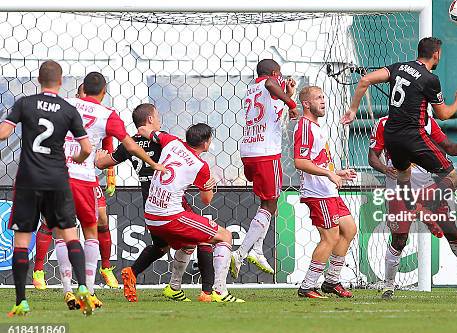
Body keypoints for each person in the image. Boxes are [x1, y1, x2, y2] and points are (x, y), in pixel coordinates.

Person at [57, 72, 164, 309]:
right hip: (83, 178)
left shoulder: (65, 105)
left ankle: (67, 291)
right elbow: (130, 145)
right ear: (104, 92)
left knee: (62, 233)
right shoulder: (107, 115)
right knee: (91, 232)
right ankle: (89, 291)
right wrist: (154, 163)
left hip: (55, 175)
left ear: (82, 89)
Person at [0, 60, 95, 316]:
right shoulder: (68, 108)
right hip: (57, 180)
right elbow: (86, 149)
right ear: (61, 81)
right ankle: (84, 288)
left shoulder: (24, 103)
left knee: (22, 240)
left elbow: (3, 134)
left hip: (29, 180)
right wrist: (78, 160)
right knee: (69, 235)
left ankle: (21, 301)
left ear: (39, 80)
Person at [96, 103, 216, 303]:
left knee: (161, 246)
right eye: (157, 116)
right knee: (202, 236)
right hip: (169, 197)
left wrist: (100, 158)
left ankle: (134, 273)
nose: (159, 120)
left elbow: (103, 163)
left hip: (149, 200)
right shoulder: (162, 140)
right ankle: (208, 292)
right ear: (150, 119)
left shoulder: (130, 143)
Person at [369, 115, 457, 298]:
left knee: (452, 232)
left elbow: (449, 147)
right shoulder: (384, 123)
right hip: (398, 192)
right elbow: (373, 156)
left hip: (429, 189)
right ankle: (389, 285)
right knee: (399, 240)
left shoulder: (427, 121)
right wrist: (384, 168)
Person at [342, 37, 457, 214]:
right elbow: (443, 115)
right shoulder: (430, 78)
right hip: (414, 136)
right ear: (436, 54)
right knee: (452, 177)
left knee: (404, 173)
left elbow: (364, 80)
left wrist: (353, 110)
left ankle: (409, 205)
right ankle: (431, 202)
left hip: (392, 136)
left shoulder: (398, 67)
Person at [137, 122, 243, 303]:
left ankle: (174, 288)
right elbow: (206, 201)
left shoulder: (171, 141)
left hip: (150, 213)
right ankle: (219, 291)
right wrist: (209, 183)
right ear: (206, 144)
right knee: (225, 235)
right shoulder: (200, 165)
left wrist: (152, 133)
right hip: (168, 216)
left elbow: (142, 130)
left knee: (190, 241)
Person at [32, 83, 119, 291]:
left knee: (101, 218)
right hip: (61, 173)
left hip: (87, 177)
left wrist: (111, 175)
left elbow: (108, 147)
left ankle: (105, 268)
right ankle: (39, 270)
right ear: (77, 94)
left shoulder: (100, 117)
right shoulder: (64, 113)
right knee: (51, 221)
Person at [231, 58, 298, 278]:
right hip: (266, 152)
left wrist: (289, 95)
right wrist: (292, 103)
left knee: (268, 203)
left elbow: (276, 113)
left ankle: (257, 250)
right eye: (279, 74)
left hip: (249, 150)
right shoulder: (269, 84)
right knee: (270, 204)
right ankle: (240, 254)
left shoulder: (252, 90)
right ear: (274, 73)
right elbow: (271, 85)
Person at [294, 86, 357, 299]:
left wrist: (337, 172)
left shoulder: (316, 127)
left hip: (328, 190)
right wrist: (329, 175)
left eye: (323, 97)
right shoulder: (304, 127)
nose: (323, 101)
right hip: (317, 193)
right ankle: (307, 286)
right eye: (318, 98)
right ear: (306, 104)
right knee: (329, 238)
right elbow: (300, 161)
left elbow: (317, 160)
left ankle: (331, 281)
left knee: (349, 229)